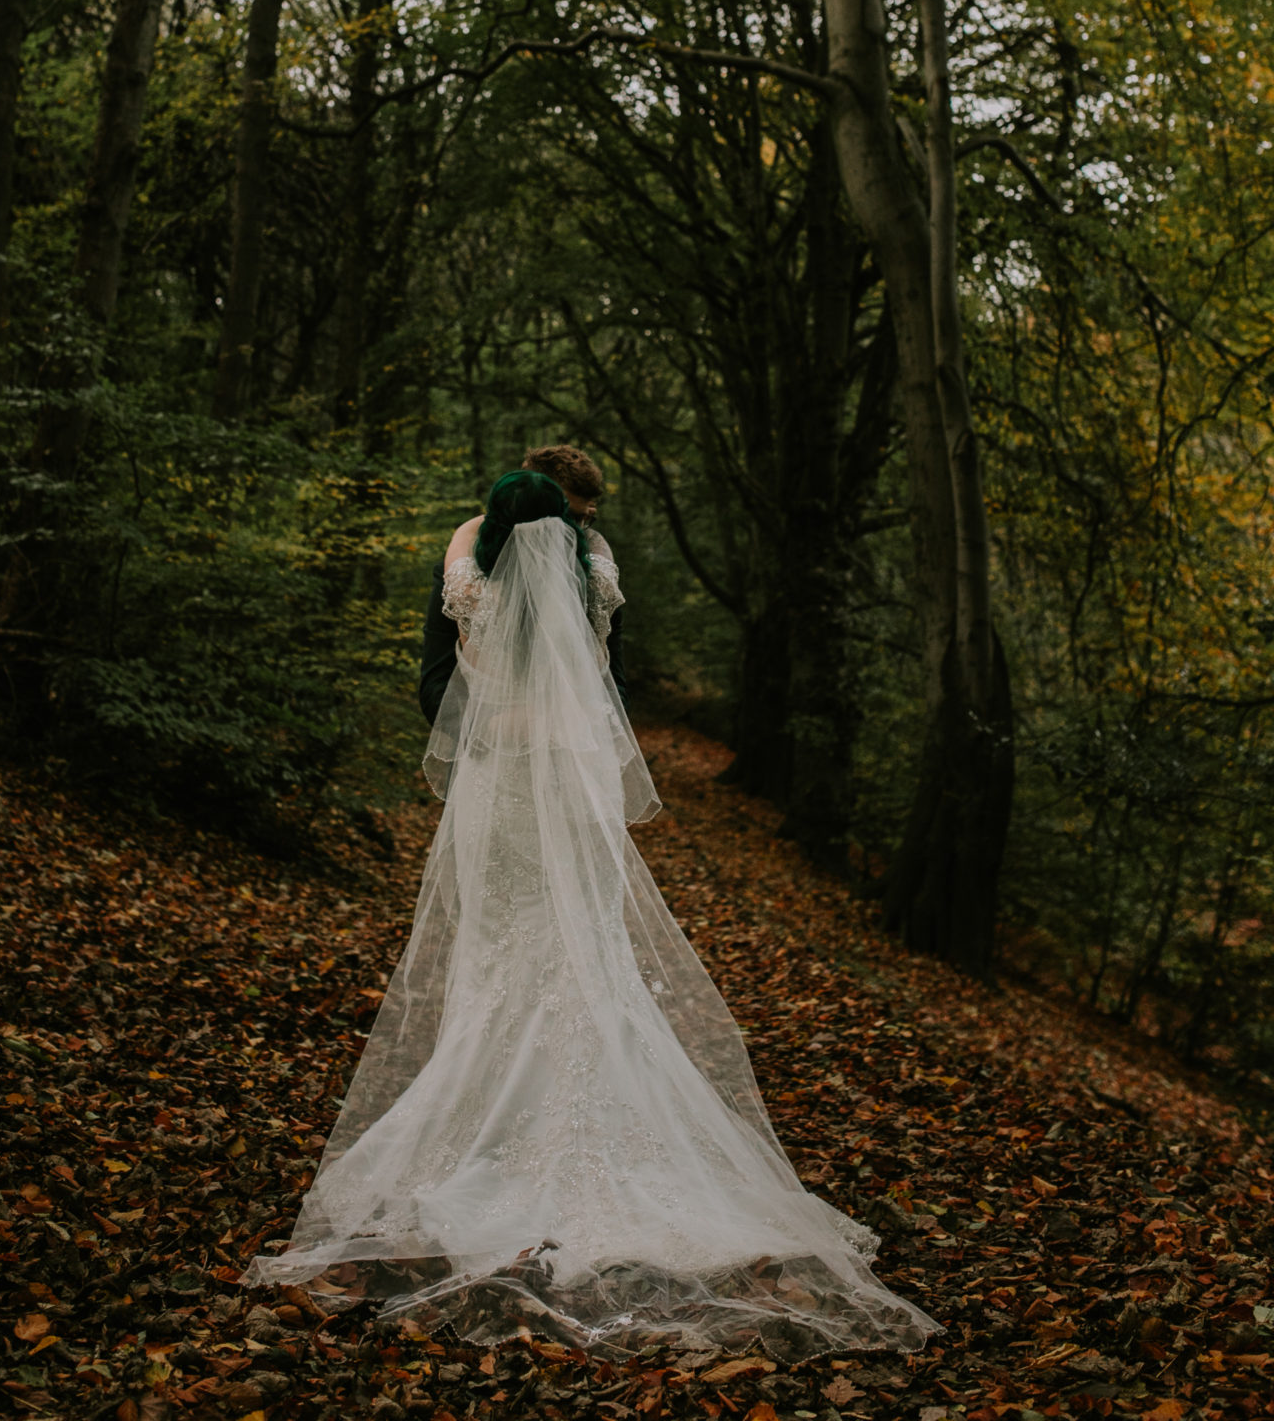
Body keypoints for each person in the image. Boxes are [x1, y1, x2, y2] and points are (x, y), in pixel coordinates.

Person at [246, 470, 936, 1357]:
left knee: (497, 949)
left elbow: (464, 555)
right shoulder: (593, 573)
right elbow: (590, 594)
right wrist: (561, 532)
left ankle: (487, 1136)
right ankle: (588, 1130)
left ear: (496, 525)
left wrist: (487, 519)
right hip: (573, 785)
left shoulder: (472, 579)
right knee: (581, 952)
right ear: (571, 525)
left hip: (499, 788)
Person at [418, 443, 628, 724]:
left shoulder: (598, 581)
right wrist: (495, 737)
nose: (577, 530)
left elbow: (615, 684)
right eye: (569, 516)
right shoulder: (459, 579)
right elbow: (436, 686)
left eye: (586, 519)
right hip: (483, 752)